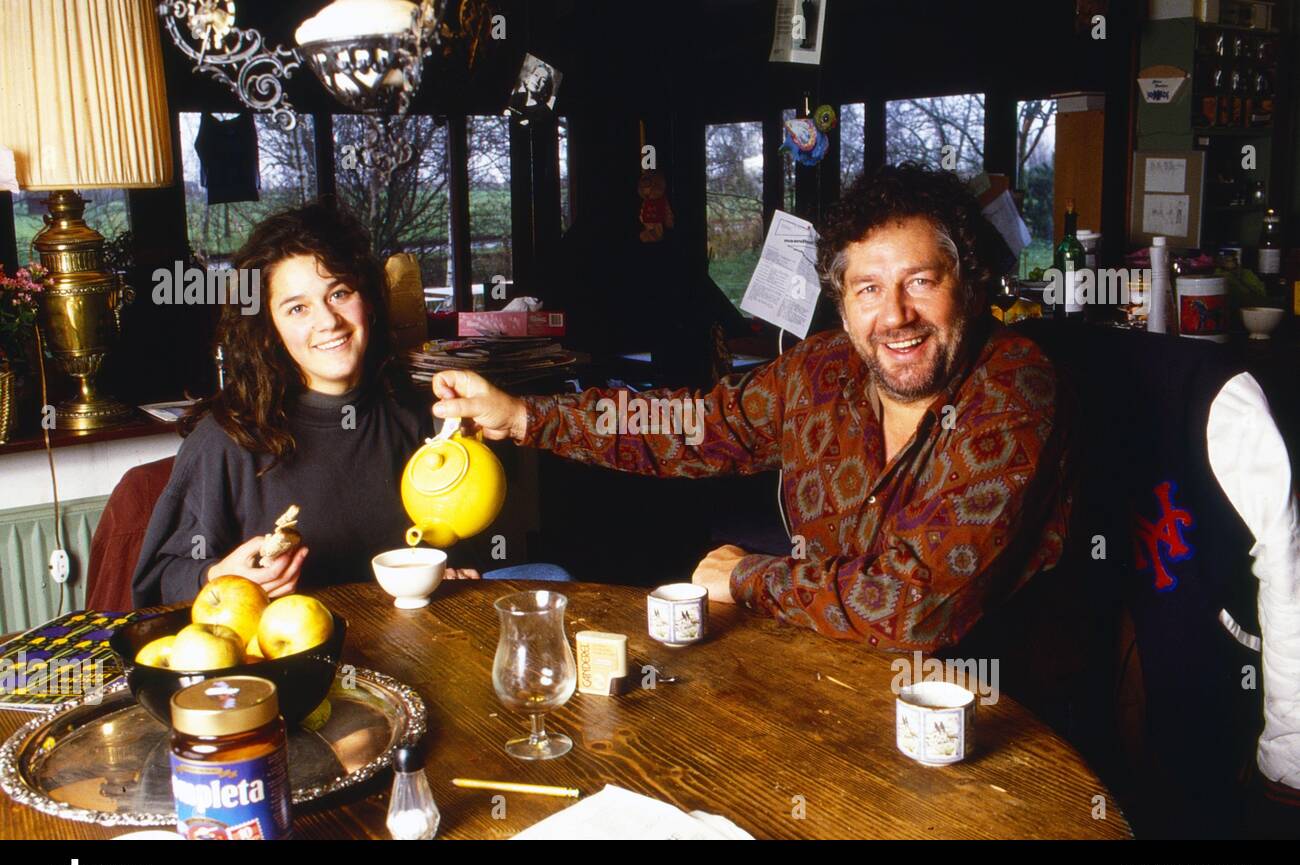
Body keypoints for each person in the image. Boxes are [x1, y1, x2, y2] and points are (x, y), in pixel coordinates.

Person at [429, 163, 1074, 651]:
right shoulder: (819, 369)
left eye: (922, 282)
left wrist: (746, 578)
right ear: (843, 307)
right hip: (829, 681)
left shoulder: (1014, 385)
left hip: (988, 722)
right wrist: (521, 416)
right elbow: (684, 426)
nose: (896, 316)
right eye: (869, 289)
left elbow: (916, 611)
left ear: (969, 286)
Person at [132, 201, 566, 608]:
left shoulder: (424, 414)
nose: (328, 321)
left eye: (338, 293)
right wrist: (217, 578)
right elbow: (155, 581)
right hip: (304, 652)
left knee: (553, 576)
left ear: (369, 302)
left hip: (419, 636)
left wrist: (455, 570)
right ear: (269, 330)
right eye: (297, 308)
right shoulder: (227, 439)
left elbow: (467, 542)